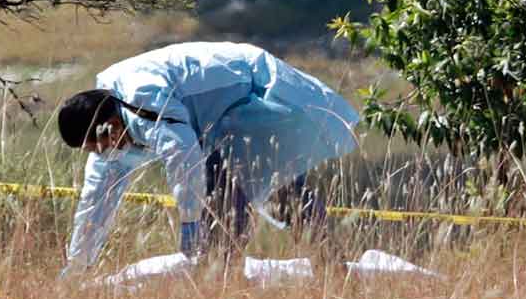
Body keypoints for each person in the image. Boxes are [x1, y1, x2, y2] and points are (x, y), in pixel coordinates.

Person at [56, 42, 358, 276]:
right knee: (278, 193)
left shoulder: (141, 98)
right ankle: (334, 271)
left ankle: (223, 285)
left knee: (230, 202)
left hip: (259, 98)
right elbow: (96, 199)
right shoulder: (112, 117)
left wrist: (190, 220)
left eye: (101, 144)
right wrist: (78, 265)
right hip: (226, 121)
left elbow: (183, 156)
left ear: (110, 124)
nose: (104, 152)